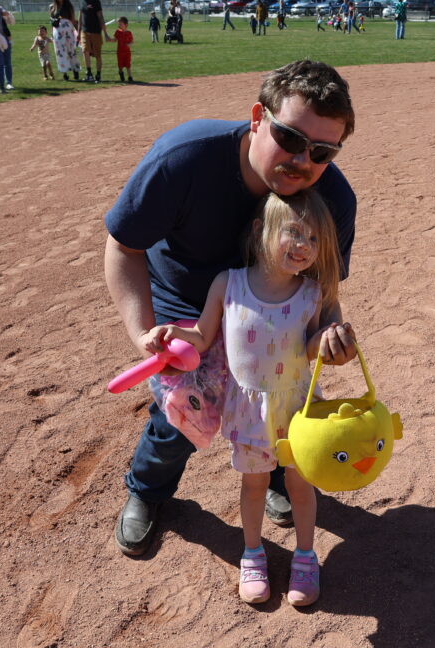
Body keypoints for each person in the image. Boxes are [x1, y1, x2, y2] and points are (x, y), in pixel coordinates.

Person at [103, 59, 359, 558]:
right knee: (183, 411)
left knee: (286, 399)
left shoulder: (332, 198)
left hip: (276, 303)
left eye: (322, 150)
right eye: (289, 138)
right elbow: (122, 247)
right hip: (188, 300)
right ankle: (148, 491)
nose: (303, 159)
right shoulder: (186, 158)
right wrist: (144, 333)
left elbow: (324, 289)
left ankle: (282, 476)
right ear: (258, 118)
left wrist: (331, 333)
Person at [142, 190, 347, 606]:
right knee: (254, 486)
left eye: (313, 239)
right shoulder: (229, 284)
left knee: (299, 486)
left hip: (300, 409)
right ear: (260, 231)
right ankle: (252, 553)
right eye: (294, 232)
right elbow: (202, 337)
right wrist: (171, 334)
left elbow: (312, 348)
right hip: (249, 411)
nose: (304, 246)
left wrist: (328, 339)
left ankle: (305, 556)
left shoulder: (313, 293)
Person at [49, 0, 80, 81]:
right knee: (60, 52)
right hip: (57, 32)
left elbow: (73, 19)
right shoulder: (52, 7)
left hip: (68, 31)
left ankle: (75, 70)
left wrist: (78, 31)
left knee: (71, 51)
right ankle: (64, 73)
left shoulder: (69, 5)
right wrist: (51, 33)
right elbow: (52, 21)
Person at [77, 0, 105, 82]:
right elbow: (80, 18)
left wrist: (105, 33)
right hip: (84, 31)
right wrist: (78, 33)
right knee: (85, 51)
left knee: (97, 54)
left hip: (95, 31)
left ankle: (98, 74)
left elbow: (100, 17)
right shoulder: (81, 1)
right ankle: (89, 74)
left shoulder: (96, 1)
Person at [105, 15, 133, 83]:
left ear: (126, 25)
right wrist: (109, 39)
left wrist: (128, 44)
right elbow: (115, 40)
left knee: (128, 65)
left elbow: (131, 42)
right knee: (120, 66)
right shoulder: (118, 32)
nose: (119, 25)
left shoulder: (129, 33)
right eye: (119, 24)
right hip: (120, 52)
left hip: (127, 52)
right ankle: (121, 73)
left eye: (121, 24)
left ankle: (130, 77)